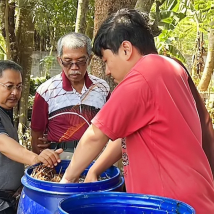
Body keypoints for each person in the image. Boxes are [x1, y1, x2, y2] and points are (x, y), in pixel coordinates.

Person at [60, 9, 214, 214]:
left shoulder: (142, 75)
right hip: (194, 195)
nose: (106, 70)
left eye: (106, 60)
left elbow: (96, 134)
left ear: (125, 49)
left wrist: (66, 181)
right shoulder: (171, 68)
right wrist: (96, 169)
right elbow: (124, 133)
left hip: (168, 203)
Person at [0, 60, 63, 214]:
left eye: (19, 87)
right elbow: (1, 143)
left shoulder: (3, 110)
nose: (15, 92)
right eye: (9, 86)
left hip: (10, 200)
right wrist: (35, 158)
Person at [31, 32, 111, 159]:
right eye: (68, 61)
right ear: (59, 60)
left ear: (89, 59)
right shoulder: (46, 91)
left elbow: (111, 126)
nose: (74, 67)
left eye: (80, 61)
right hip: (61, 160)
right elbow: (37, 138)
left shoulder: (102, 88)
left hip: (97, 158)